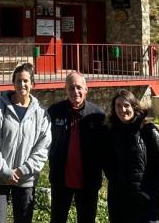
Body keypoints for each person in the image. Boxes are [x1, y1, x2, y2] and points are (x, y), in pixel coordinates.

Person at [0, 62, 51, 223]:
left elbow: (43, 148)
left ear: (32, 84)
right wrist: (5, 171)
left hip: (25, 179)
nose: (22, 84)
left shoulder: (41, 113)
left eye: (26, 81)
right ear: (13, 83)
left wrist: (21, 171)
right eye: (19, 80)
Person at [46, 72, 106, 223]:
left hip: (88, 182)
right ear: (65, 90)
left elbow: (105, 148)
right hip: (60, 180)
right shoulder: (54, 112)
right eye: (71, 88)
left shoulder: (97, 115)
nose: (75, 92)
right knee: (57, 219)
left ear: (86, 89)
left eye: (79, 87)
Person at [103, 89, 159, 223]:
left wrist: (154, 191)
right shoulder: (111, 133)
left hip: (145, 201)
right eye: (118, 106)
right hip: (119, 201)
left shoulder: (147, 130)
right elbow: (107, 162)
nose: (123, 109)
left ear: (134, 106)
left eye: (126, 105)